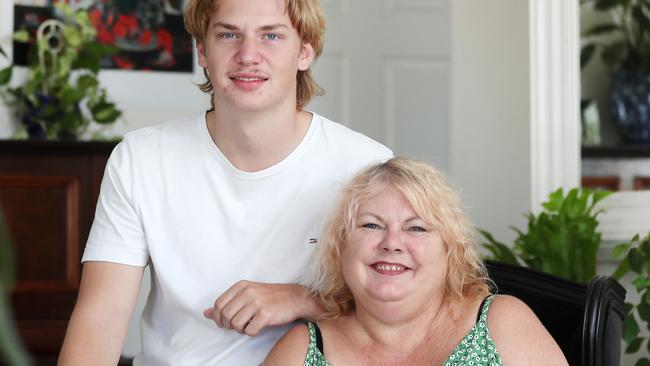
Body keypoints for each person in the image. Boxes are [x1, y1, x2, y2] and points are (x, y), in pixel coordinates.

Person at [58, 0, 391, 364]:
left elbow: (401, 315)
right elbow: (100, 319)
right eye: (229, 34)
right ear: (202, 51)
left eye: (271, 36)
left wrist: (302, 299)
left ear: (305, 52)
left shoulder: (365, 165)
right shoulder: (140, 158)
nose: (248, 55)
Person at [265, 158, 569, 366]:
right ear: (340, 247)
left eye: (416, 228)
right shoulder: (301, 352)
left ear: (450, 251)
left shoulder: (501, 324)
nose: (392, 243)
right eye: (371, 225)